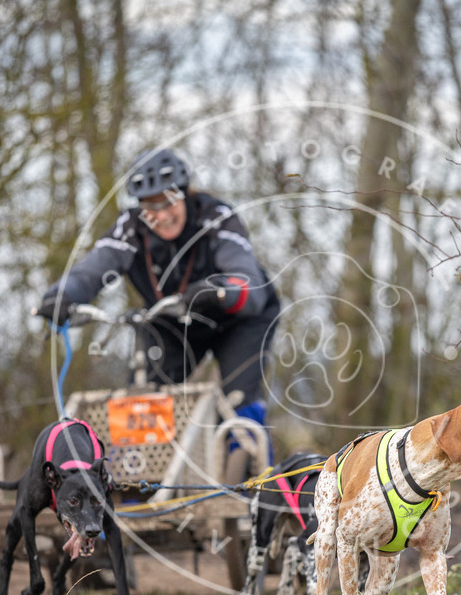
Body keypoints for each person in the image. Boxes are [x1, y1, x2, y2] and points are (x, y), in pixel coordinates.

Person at [37, 147, 280, 438]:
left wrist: (222, 290)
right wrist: (62, 295)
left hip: (239, 318)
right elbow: (92, 270)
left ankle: (255, 476)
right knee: (144, 403)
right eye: (151, 207)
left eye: (169, 201)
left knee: (239, 403)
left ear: (185, 193)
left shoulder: (215, 217)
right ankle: (149, 478)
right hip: (174, 319)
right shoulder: (130, 229)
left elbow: (247, 280)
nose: (162, 215)